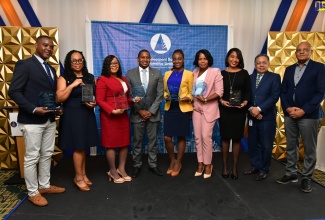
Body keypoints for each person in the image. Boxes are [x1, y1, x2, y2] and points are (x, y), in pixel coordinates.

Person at [8, 36, 65, 207]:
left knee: (47, 153)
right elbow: (14, 91)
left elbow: (51, 94)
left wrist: (57, 106)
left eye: (51, 46)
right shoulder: (25, 65)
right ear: (36, 45)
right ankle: (33, 192)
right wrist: (33, 108)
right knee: (32, 157)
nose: (49, 48)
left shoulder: (50, 69)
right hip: (32, 120)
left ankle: (45, 185)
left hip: (48, 118)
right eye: (45, 45)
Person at [276, 41, 325, 193]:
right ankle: (291, 173)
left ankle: (306, 177)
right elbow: (283, 92)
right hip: (291, 114)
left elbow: (320, 93)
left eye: (305, 50)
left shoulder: (319, 68)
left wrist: (304, 110)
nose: (302, 52)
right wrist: (288, 108)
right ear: (295, 53)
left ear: (310, 51)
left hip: (309, 115)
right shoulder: (289, 69)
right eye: (299, 50)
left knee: (310, 148)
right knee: (291, 145)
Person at [56, 50, 99, 191]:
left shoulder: (90, 77)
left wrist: (93, 102)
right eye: (74, 60)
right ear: (69, 62)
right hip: (72, 116)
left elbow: (95, 97)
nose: (77, 63)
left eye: (80, 60)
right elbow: (59, 98)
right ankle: (78, 178)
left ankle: (84, 174)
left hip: (86, 114)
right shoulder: (64, 78)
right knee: (78, 146)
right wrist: (72, 85)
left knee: (84, 145)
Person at [126, 49, 164, 178]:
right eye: (142, 57)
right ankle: (136, 165)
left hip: (153, 114)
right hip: (137, 113)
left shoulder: (157, 73)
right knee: (137, 141)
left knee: (153, 142)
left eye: (147, 57)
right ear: (138, 59)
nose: (145, 59)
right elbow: (128, 95)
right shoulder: (130, 74)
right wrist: (139, 110)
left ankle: (153, 165)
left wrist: (150, 112)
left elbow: (159, 95)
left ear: (150, 59)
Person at [96, 55, 133, 183]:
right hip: (110, 116)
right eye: (111, 63)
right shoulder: (102, 80)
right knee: (111, 144)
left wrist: (133, 101)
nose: (114, 65)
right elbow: (99, 100)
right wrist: (112, 110)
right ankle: (112, 171)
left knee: (124, 142)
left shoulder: (123, 79)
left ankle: (121, 169)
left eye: (116, 63)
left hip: (122, 115)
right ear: (106, 65)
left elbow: (125, 97)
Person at [244, 54, 281, 181]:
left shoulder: (275, 77)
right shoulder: (249, 78)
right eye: (258, 63)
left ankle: (264, 169)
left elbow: (274, 96)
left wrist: (259, 109)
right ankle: (255, 166)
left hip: (267, 117)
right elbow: (246, 96)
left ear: (268, 64)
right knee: (253, 144)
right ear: (255, 65)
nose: (261, 65)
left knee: (266, 145)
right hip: (252, 117)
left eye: (264, 62)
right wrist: (251, 109)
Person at [219, 48, 251, 180]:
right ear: (227, 58)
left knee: (237, 139)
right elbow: (218, 91)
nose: (234, 59)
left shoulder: (244, 73)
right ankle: (225, 166)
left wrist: (245, 102)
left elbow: (248, 91)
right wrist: (221, 101)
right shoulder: (221, 73)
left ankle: (234, 167)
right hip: (225, 110)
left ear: (240, 59)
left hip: (239, 111)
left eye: (237, 57)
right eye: (232, 56)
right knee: (225, 138)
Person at [192, 49, 223, 179]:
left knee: (206, 137)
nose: (202, 61)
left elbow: (219, 92)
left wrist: (205, 99)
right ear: (197, 61)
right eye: (200, 59)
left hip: (209, 109)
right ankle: (200, 164)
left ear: (208, 60)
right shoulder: (194, 72)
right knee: (198, 138)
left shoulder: (215, 72)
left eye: (205, 58)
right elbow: (192, 91)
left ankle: (208, 164)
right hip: (196, 110)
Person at [163, 49, 193, 177]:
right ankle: (172, 160)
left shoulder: (189, 74)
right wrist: (166, 96)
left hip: (183, 109)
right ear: (172, 60)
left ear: (183, 59)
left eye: (179, 58)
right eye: (175, 59)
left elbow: (193, 93)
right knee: (167, 137)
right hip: (170, 107)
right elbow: (165, 91)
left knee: (181, 136)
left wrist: (189, 98)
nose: (177, 61)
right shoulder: (167, 74)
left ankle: (178, 163)